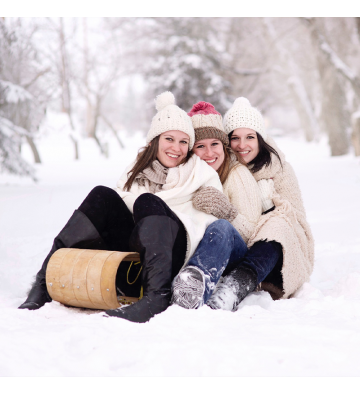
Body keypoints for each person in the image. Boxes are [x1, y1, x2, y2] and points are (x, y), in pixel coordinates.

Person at [18, 91, 222, 323]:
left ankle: (157, 296)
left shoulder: (201, 174)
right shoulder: (136, 170)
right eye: (169, 139)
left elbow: (208, 226)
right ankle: (43, 283)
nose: (176, 147)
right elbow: (122, 207)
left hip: (175, 252)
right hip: (136, 250)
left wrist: (153, 208)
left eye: (183, 141)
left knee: (147, 201)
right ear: (155, 140)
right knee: (101, 194)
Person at [193, 97, 315, 311]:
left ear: (260, 139)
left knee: (278, 223)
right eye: (235, 138)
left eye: (250, 137)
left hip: (277, 249)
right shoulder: (222, 166)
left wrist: (270, 214)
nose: (242, 145)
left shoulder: (280, 170)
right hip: (239, 243)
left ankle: (233, 288)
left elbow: (296, 217)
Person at [170, 101, 263, 309]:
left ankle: (193, 288)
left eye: (215, 144)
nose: (209, 153)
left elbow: (253, 235)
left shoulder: (237, 175)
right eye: (200, 146)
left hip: (234, 255)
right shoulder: (187, 175)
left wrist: (227, 212)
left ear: (224, 146)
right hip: (195, 249)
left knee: (221, 227)